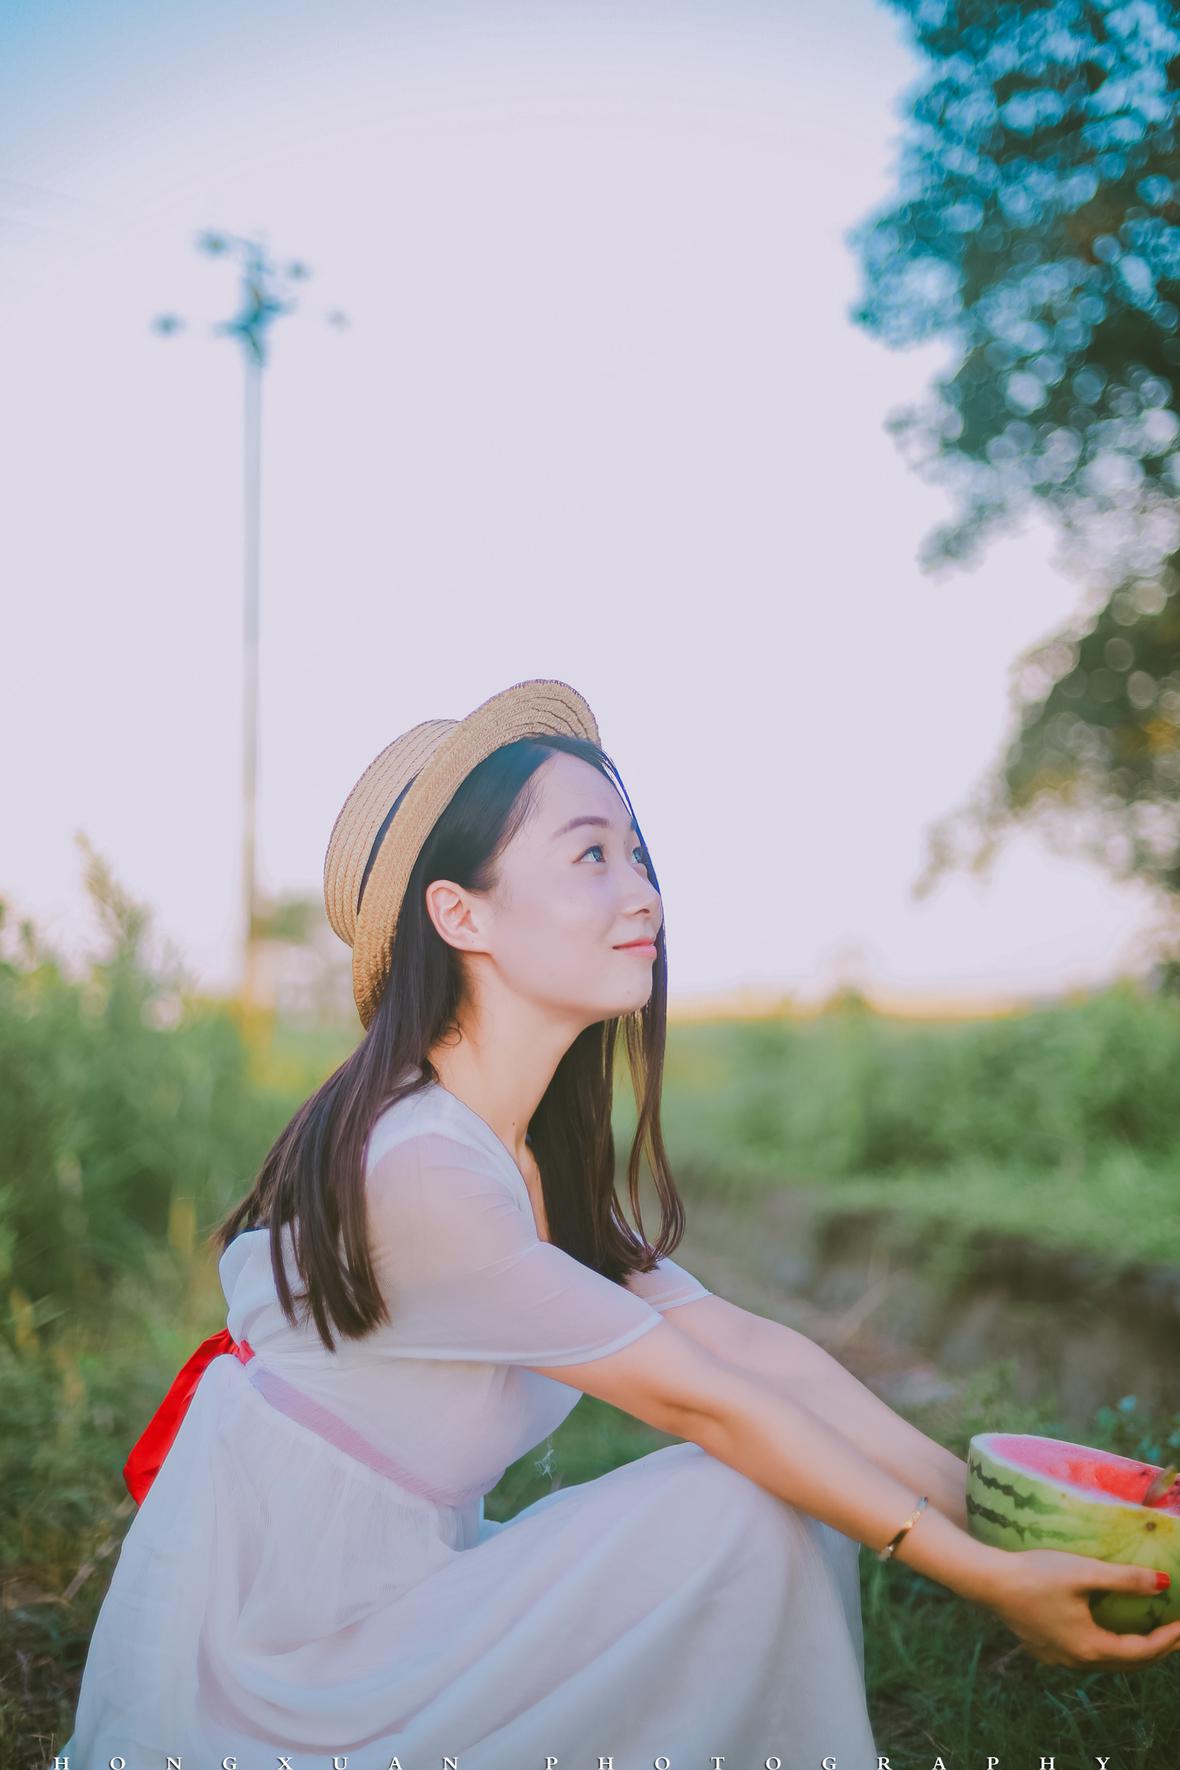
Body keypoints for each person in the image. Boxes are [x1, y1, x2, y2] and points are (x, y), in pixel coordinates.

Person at [58, 677, 1180, 1770]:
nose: (643, 893)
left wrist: (1006, 1522)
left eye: (636, 854)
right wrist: (982, 1579)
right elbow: (706, 1402)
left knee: (771, 1487)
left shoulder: (514, 1153)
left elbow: (751, 1354)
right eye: (591, 855)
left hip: (402, 1607)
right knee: (747, 1495)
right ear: (460, 913)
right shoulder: (424, 1171)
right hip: (297, 1685)